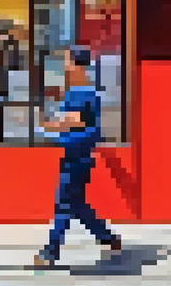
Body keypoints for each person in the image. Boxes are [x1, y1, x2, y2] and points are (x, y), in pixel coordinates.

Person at [34, 45, 122, 269]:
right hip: (78, 154)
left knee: (63, 203)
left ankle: (50, 251)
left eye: (67, 61)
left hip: (77, 156)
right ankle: (107, 238)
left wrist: (46, 124)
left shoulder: (81, 92)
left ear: (76, 65)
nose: (64, 65)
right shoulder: (83, 90)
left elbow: (76, 120)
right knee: (76, 203)